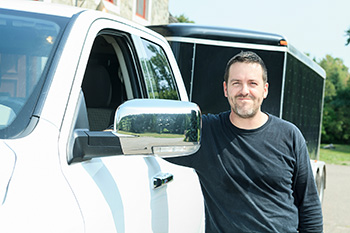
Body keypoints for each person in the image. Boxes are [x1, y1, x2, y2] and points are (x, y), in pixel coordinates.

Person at [166, 51, 323, 232]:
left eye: (253, 83)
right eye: (236, 83)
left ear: (265, 90)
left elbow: (309, 205)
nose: (244, 91)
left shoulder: (289, 135)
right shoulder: (204, 132)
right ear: (226, 89)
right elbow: (149, 141)